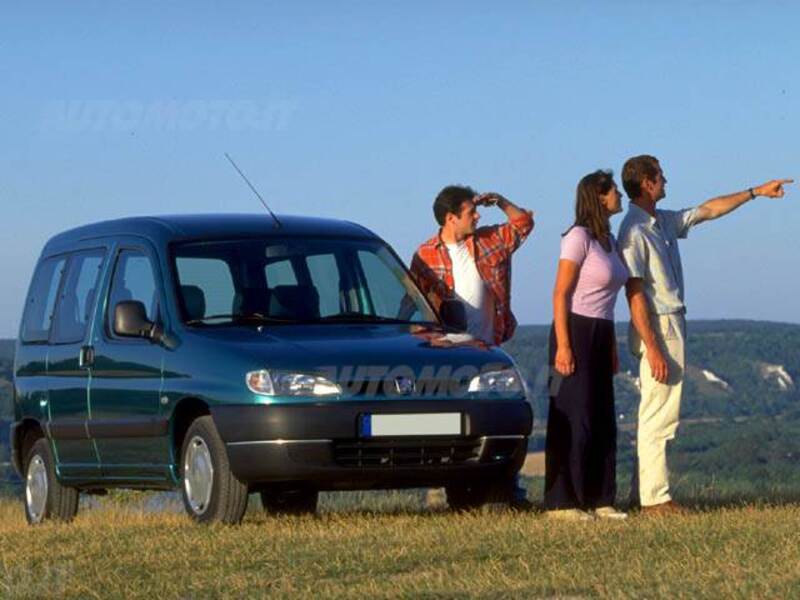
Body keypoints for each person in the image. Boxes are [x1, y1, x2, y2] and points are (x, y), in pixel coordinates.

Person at [618, 154, 793, 515]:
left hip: (668, 322)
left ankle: (644, 493)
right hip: (659, 323)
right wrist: (652, 345)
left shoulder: (661, 221)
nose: (666, 181)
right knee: (659, 413)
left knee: (659, 409)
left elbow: (707, 211)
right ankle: (655, 499)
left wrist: (755, 192)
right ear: (647, 183)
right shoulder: (634, 231)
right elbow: (634, 293)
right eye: (660, 177)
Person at [410, 184, 534, 508]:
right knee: (452, 423)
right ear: (451, 218)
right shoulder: (425, 255)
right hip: (446, 353)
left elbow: (524, 224)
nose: (477, 215)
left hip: (487, 348)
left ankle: (506, 490)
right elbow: (414, 305)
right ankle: (449, 490)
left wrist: (501, 200)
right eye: (470, 212)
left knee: (498, 419)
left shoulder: (490, 241)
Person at [545, 170, 629, 521]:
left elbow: (609, 300)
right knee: (572, 416)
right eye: (615, 192)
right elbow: (560, 293)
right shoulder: (577, 237)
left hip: (601, 330)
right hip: (572, 331)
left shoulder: (607, 240)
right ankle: (563, 502)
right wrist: (564, 347)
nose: (620, 196)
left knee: (601, 417)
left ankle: (600, 498)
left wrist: (610, 345)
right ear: (600, 195)